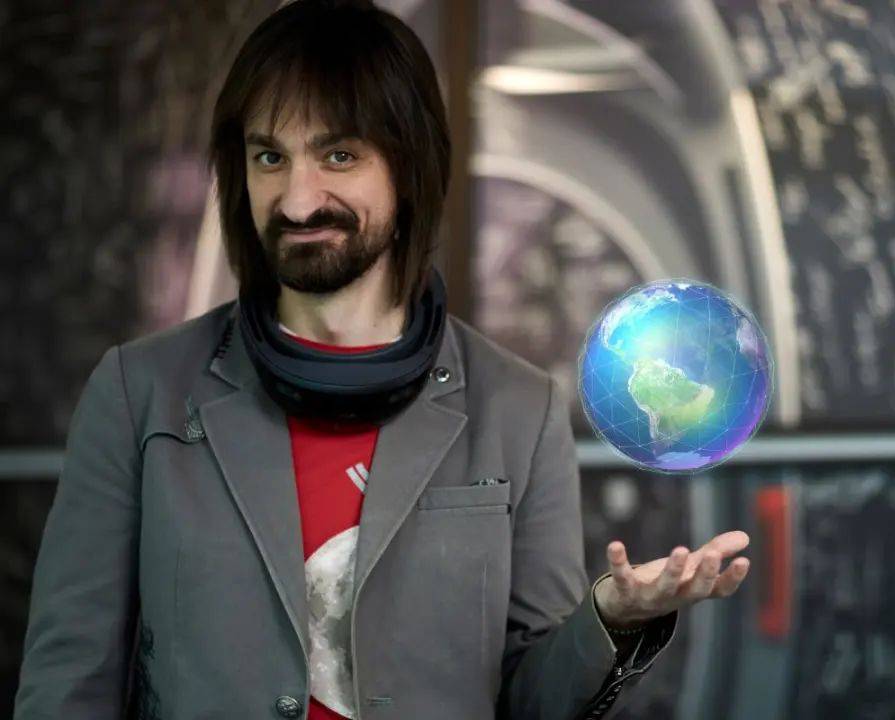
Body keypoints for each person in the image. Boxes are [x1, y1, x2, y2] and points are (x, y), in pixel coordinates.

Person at [14, 1, 751, 718]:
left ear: (408, 166)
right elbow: (67, 684)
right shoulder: (138, 391)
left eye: (338, 156)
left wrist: (610, 618)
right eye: (270, 157)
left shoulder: (517, 409)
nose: (298, 201)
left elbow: (534, 700)